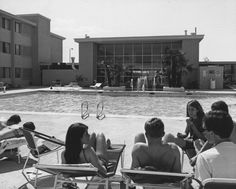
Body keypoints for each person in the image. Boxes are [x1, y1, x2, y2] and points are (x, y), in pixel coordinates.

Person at [195, 110, 236, 181]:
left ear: (211, 133)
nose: (203, 133)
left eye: (204, 129)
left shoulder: (204, 158)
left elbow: (201, 185)